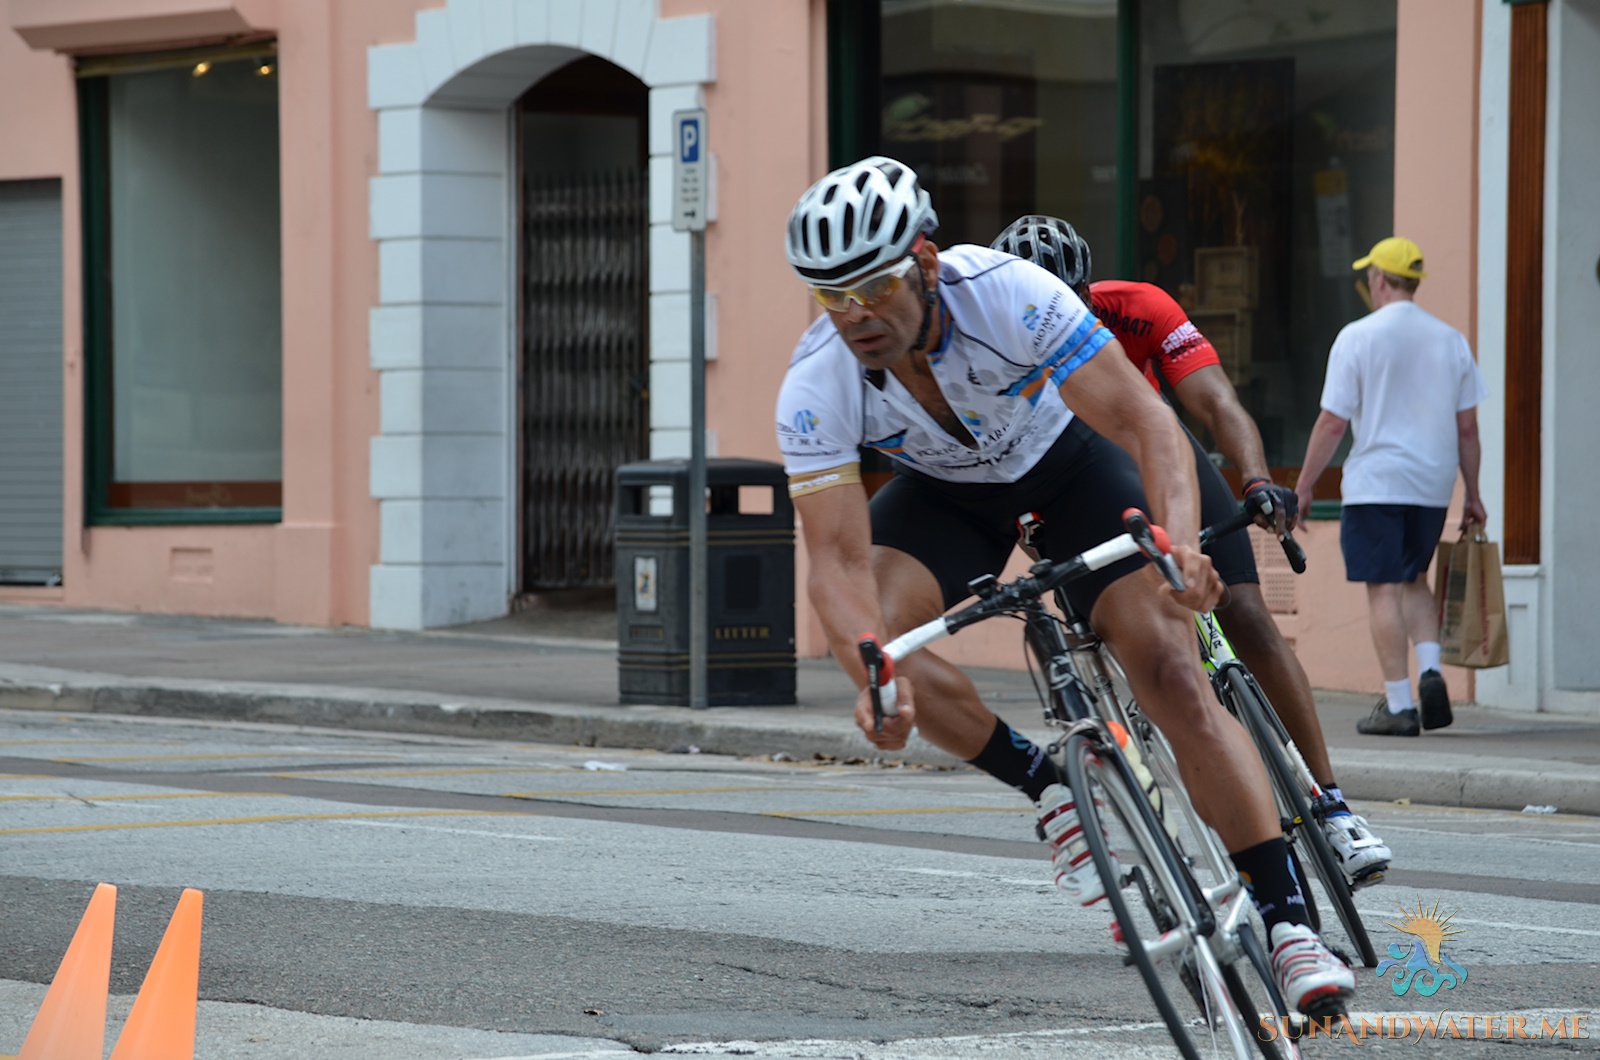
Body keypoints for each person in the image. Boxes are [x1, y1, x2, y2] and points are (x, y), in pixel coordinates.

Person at [776, 156, 1354, 1016]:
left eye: (874, 287)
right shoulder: (815, 384)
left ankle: (1286, 921)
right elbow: (837, 561)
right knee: (871, 647)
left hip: (1070, 465)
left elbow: (1146, 421)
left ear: (926, 263)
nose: (856, 314)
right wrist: (874, 669)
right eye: (833, 296)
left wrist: (1182, 548)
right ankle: (1049, 787)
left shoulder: (1010, 294)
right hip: (945, 493)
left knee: (1168, 668)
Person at [990, 215, 1391, 886]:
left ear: (1089, 295)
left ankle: (1332, 807)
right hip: (1083, 498)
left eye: (1070, 306)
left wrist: (1258, 479)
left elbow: (1216, 402)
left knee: (1249, 617)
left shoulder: (1139, 308)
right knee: (1158, 666)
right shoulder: (995, 354)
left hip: (1166, 463)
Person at [1294, 236, 1487, 737]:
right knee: (1414, 580)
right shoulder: (1451, 340)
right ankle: (1430, 672)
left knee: (1382, 587)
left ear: (1379, 279)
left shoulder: (1358, 336)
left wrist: (1305, 484)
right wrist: (1474, 494)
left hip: (1377, 481)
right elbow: (1468, 429)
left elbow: (1333, 423)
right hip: (1431, 483)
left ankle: (1399, 705)